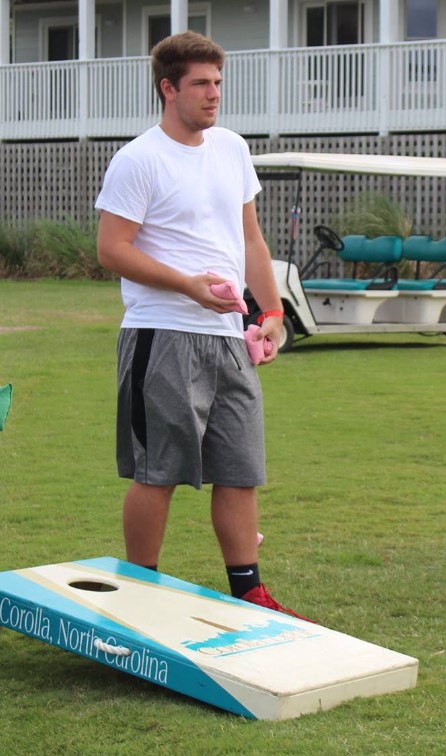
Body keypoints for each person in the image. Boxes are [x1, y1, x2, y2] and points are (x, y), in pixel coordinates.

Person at [94, 32, 306, 619]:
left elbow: (250, 239)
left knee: (240, 471)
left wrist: (270, 313)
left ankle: (250, 593)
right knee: (157, 471)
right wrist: (188, 285)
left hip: (228, 339)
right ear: (168, 88)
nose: (214, 95)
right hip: (161, 334)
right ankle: (140, 593)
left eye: (218, 82)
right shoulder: (139, 158)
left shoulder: (232, 149)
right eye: (201, 84)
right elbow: (112, 249)